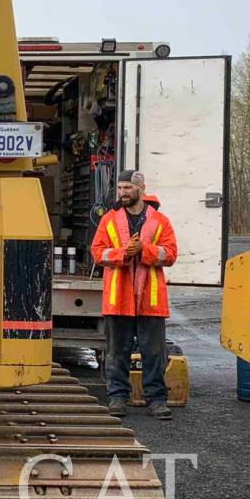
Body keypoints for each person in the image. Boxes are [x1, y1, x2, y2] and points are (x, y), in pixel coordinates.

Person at [88, 170, 178, 419]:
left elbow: (170, 253)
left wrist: (145, 250)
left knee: (154, 353)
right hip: (119, 298)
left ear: (141, 189)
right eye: (119, 188)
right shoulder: (109, 219)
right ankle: (117, 398)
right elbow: (97, 253)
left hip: (150, 300)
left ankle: (157, 400)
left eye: (127, 188)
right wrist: (123, 253)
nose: (122, 193)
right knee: (117, 352)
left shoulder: (160, 220)